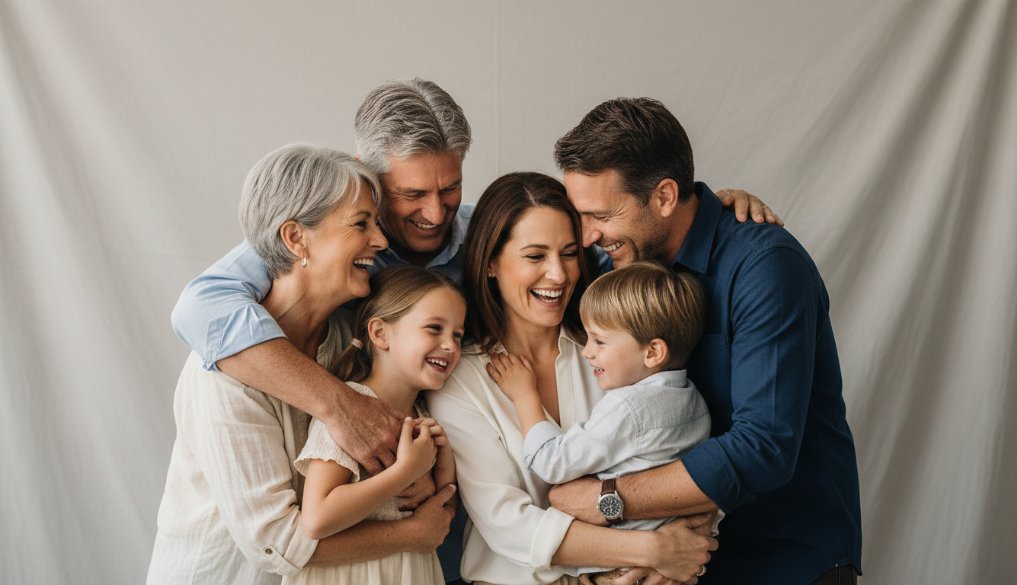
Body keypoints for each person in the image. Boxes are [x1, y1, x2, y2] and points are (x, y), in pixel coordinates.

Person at [168, 79, 778, 583]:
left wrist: (702, 210)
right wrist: (339, 408)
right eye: (410, 195)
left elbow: (606, 243)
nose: (434, 213)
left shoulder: (488, 255)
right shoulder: (291, 289)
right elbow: (199, 308)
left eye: (449, 188)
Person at [550, 98, 862, 585]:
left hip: (786, 562)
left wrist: (607, 498)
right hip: (683, 566)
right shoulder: (623, 261)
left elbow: (763, 448)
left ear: (665, 196)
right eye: (582, 216)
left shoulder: (766, 267)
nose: (589, 235)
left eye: (602, 215)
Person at [147, 145, 456, 585]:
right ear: (295, 239)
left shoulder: (343, 343)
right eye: (361, 224)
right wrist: (411, 534)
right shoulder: (219, 379)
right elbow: (276, 544)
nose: (382, 241)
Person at [427, 172, 718, 585]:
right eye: (534, 256)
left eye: (568, 253)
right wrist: (654, 550)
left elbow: (669, 458)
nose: (559, 275)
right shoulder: (461, 379)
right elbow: (506, 522)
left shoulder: (611, 353)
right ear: (490, 262)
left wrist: (685, 542)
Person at [487, 261, 713, 585]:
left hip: (617, 570)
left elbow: (551, 463)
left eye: (600, 341)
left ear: (652, 353)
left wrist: (524, 396)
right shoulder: (695, 402)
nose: (587, 352)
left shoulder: (627, 406)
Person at [287, 266, 465, 585]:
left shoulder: (423, 413)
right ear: (381, 333)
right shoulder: (352, 408)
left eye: (457, 335)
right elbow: (317, 518)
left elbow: (439, 518)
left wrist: (443, 466)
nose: (450, 345)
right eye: (434, 328)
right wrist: (406, 472)